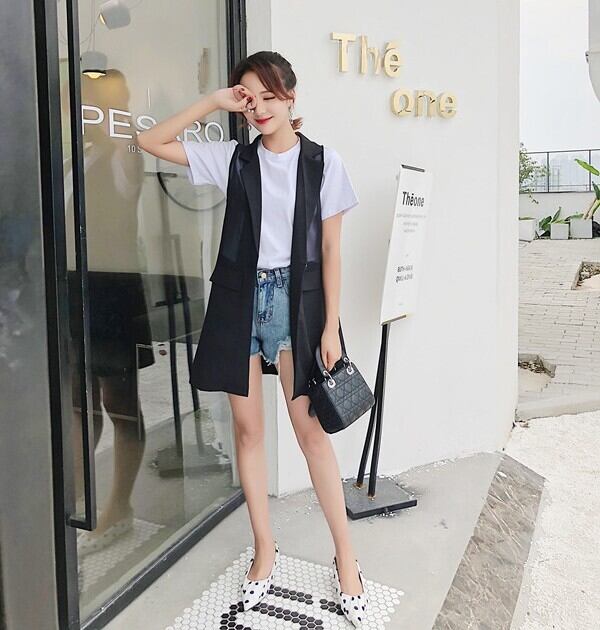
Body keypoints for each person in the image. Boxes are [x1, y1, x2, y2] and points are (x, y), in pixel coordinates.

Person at [138, 51, 367, 627]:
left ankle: (346, 558)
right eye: (247, 99)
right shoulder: (234, 159)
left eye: (268, 96)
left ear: (291, 96)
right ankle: (265, 548)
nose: (259, 109)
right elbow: (150, 141)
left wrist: (332, 326)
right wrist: (213, 103)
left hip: (296, 305)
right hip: (240, 299)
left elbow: (332, 249)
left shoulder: (323, 163)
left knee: (310, 432)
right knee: (247, 430)